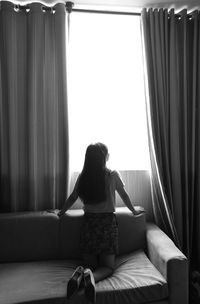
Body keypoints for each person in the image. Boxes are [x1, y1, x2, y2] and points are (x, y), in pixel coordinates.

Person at [58, 143, 145, 303]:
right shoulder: (112, 175)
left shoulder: (83, 177)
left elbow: (72, 197)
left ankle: (81, 274)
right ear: (104, 157)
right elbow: (124, 195)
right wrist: (133, 211)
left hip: (89, 225)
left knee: (89, 263)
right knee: (107, 267)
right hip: (106, 225)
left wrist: (60, 212)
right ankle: (90, 277)